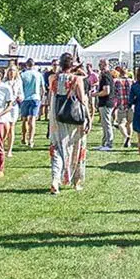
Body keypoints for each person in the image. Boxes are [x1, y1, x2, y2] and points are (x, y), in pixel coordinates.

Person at [48, 52, 91, 194]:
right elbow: (82, 100)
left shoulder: (52, 78)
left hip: (57, 117)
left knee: (57, 148)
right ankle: (76, 181)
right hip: (74, 117)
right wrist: (89, 118)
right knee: (77, 147)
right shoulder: (76, 79)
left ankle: (56, 179)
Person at [18, 59, 43, 148]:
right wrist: (42, 98)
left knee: (24, 119)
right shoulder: (38, 74)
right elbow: (42, 88)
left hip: (25, 98)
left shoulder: (22, 75)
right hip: (35, 98)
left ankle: (24, 137)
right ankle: (31, 139)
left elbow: (20, 87)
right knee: (32, 120)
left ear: (26, 65)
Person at [110, 66, 135, 148]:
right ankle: (129, 141)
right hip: (131, 105)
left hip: (121, 105)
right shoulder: (131, 81)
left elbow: (114, 93)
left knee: (121, 124)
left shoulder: (117, 82)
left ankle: (126, 136)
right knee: (129, 123)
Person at [95, 60, 116, 151]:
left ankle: (109, 143)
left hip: (106, 102)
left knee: (107, 124)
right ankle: (104, 143)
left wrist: (95, 94)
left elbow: (106, 91)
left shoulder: (105, 76)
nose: (99, 66)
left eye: (100, 64)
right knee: (104, 124)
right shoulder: (107, 75)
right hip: (106, 102)